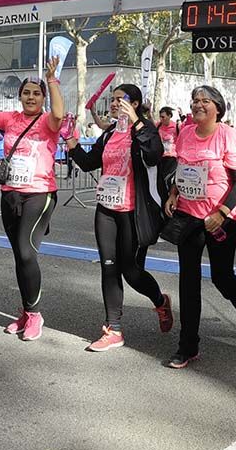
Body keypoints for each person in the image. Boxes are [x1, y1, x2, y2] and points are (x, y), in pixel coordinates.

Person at [0, 57, 64, 341]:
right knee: (20, 257)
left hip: (39, 193)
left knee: (27, 251)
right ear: (19, 96)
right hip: (10, 195)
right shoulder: (9, 119)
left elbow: (59, 111)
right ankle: (26, 309)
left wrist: (52, 79)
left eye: (36, 93)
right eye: (26, 93)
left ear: (43, 97)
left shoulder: (47, 121)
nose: (31, 97)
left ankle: (35, 315)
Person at [65, 85, 173, 351]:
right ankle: (113, 329)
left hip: (133, 212)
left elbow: (153, 154)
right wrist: (71, 143)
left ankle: (160, 301)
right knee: (109, 266)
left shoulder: (145, 129)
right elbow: (90, 162)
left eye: (119, 100)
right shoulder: (111, 132)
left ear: (134, 104)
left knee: (131, 271)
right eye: (111, 100)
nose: (113, 104)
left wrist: (136, 123)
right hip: (106, 208)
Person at [163, 85, 236, 369]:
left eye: (205, 101)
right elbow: (184, 168)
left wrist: (223, 211)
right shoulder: (186, 132)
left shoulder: (229, 136)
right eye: (195, 101)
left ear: (218, 107)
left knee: (222, 276)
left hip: (221, 217)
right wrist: (174, 193)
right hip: (190, 216)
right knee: (187, 281)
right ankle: (187, 346)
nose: (198, 105)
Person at [157, 106, 180, 189]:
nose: (161, 119)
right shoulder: (158, 125)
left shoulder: (176, 127)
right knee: (161, 181)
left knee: (168, 180)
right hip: (161, 158)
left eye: (163, 117)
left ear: (169, 116)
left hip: (172, 158)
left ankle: (171, 197)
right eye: (160, 117)